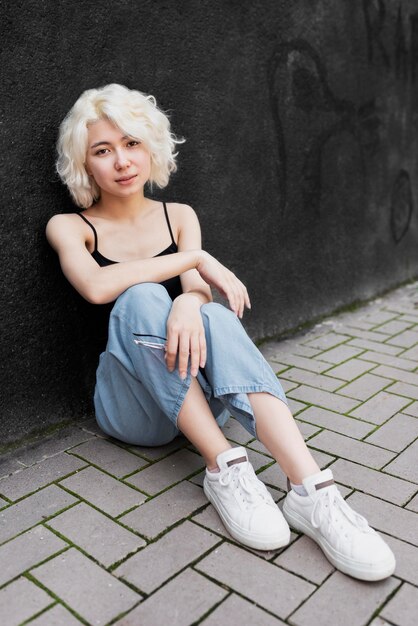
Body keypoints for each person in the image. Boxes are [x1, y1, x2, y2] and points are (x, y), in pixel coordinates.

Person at [46, 83, 395, 581]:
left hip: (196, 396)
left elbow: (195, 291)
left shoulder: (178, 216)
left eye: (132, 143)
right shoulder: (69, 226)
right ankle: (225, 468)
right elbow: (98, 287)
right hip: (132, 410)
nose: (121, 160)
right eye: (103, 150)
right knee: (141, 296)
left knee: (210, 315)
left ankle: (312, 491)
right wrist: (195, 260)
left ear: (151, 149)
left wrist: (191, 298)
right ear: (85, 163)